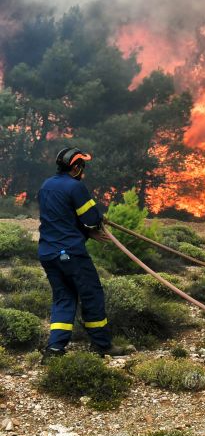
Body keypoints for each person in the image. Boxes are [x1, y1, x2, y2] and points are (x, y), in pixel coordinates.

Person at [37, 147, 123, 359]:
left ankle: (55, 349)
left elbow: (61, 218)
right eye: (82, 167)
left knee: (63, 297)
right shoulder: (75, 187)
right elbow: (91, 218)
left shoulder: (46, 185)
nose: (83, 171)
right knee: (91, 294)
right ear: (75, 168)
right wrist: (96, 224)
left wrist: (86, 233)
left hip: (48, 253)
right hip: (71, 254)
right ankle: (102, 345)